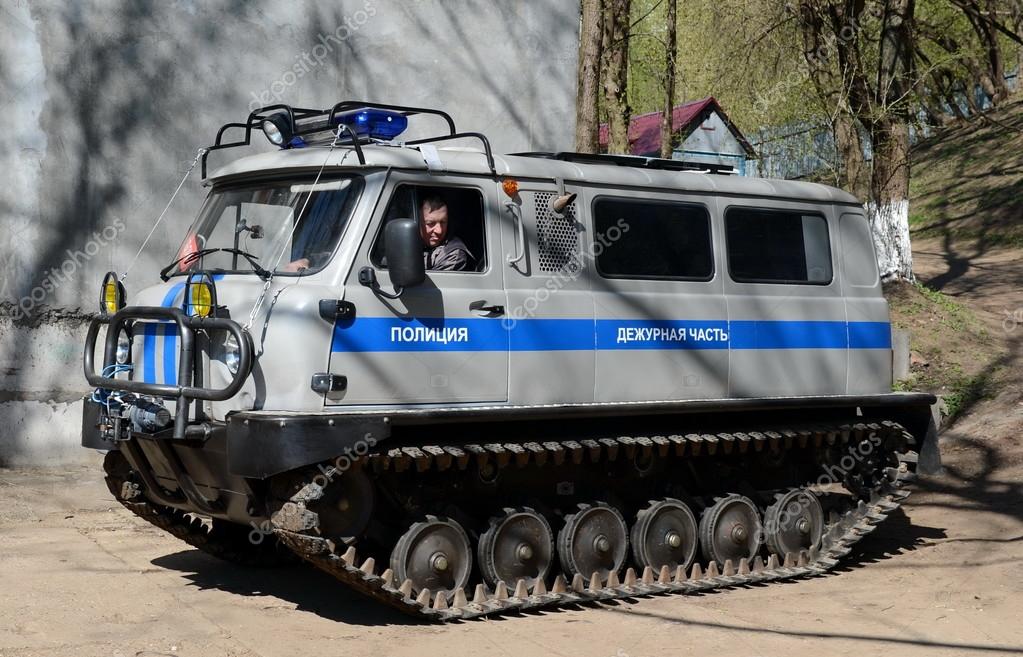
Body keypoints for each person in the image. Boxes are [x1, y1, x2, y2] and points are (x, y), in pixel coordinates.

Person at [419, 195, 474, 271]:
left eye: (443, 222)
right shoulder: (410, 242)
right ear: (416, 222)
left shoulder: (454, 254)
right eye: (430, 223)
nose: (439, 231)